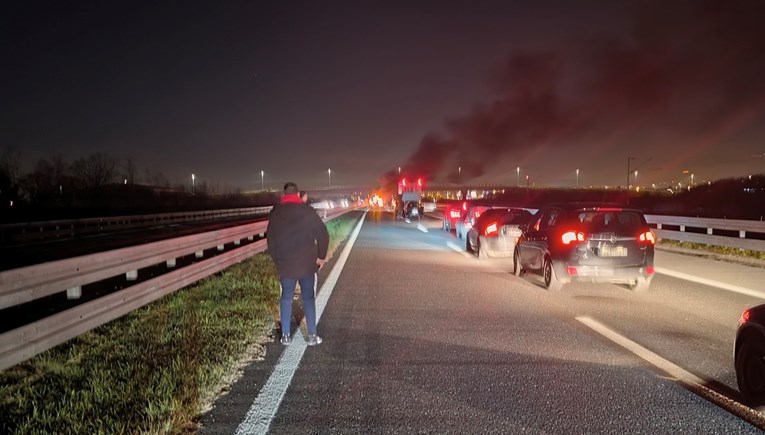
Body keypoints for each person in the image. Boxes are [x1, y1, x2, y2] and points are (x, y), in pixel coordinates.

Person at [267, 182, 329, 346]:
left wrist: (277, 260)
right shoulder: (307, 211)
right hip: (307, 263)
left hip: (286, 264)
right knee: (308, 297)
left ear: (283, 195)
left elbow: (270, 241)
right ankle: (312, 336)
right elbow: (323, 234)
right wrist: (320, 257)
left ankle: (285, 336)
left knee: (286, 297)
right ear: (297, 195)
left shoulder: (275, 213)